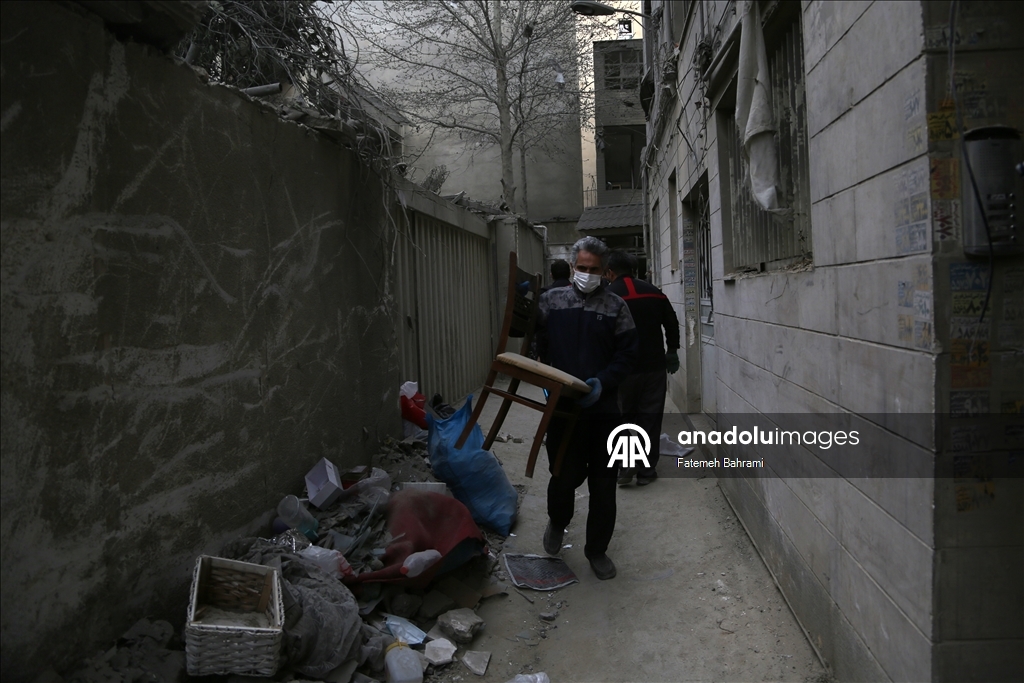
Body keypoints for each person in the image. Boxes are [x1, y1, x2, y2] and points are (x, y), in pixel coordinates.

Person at [534, 237, 638, 580]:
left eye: (594, 270)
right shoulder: (551, 301)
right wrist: (548, 382)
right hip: (564, 413)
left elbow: (628, 354)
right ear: (573, 266)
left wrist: (603, 382)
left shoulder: (616, 307)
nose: (587, 274)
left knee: (604, 487)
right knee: (563, 478)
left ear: (604, 272)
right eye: (582, 268)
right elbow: (539, 344)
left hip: (605, 412)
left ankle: (597, 550)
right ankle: (558, 521)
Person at [604, 251, 681, 486]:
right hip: (654, 367)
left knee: (621, 417)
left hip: (621, 370)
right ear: (635, 270)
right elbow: (671, 322)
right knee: (650, 417)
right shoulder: (655, 293)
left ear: (610, 272)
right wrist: (672, 351)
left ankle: (626, 461)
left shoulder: (606, 295)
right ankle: (647, 471)